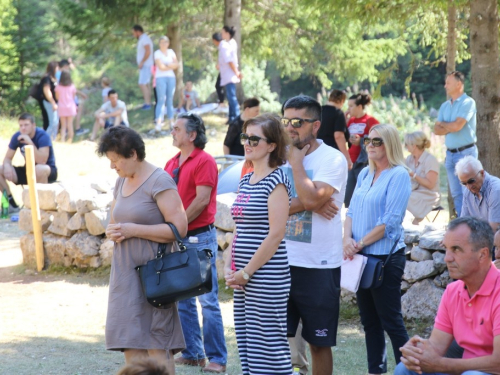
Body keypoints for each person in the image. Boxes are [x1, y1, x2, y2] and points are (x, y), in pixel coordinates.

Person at [98, 126, 187, 375]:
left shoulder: (160, 180)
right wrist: (113, 230)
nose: (112, 166)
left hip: (154, 277)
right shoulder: (121, 181)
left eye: (116, 160)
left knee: (157, 344)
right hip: (125, 274)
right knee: (129, 340)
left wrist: (133, 229)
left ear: (133, 154)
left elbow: (180, 228)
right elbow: (116, 221)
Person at [281, 95, 348, 375]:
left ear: (316, 125)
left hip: (318, 265)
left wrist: (297, 164)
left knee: (318, 343)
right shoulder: (276, 157)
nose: (291, 127)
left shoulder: (332, 159)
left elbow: (308, 199)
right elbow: (268, 201)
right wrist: (311, 203)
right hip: (280, 261)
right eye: (286, 121)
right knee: (276, 340)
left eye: (298, 121)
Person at [224, 113, 293, 374]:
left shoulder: (277, 180)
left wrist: (246, 272)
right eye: (245, 137)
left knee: (268, 347)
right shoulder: (246, 179)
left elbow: (275, 234)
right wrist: (229, 266)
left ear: (272, 145)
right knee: (247, 343)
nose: (247, 143)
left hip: (266, 276)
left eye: (255, 138)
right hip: (243, 276)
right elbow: (239, 228)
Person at [343, 123, 411, 375]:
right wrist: (346, 239)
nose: (369, 145)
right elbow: (350, 210)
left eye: (376, 141)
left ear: (390, 145)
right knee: (369, 322)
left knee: (391, 321)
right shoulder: (363, 174)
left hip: (385, 258)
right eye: (367, 141)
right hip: (360, 258)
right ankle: (376, 371)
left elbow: (390, 222)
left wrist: (357, 244)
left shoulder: (399, 175)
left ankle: (409, 370)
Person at [395, 217, 500, 375]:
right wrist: (417, 352)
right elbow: (436, 347)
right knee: (405, 369)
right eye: (447, 249)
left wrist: (441, 365)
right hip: (466, 370)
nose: (447, 258)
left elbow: (498, 363)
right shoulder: (453, 291)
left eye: (456, 249)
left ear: (483, 255)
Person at [164, 113, 227, 373]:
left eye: (177, 129)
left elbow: (202, 200)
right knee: (184, 299)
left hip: (199, 237)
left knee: (208, 301)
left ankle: (218, 359)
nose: (172, 132)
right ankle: (193, 353)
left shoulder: (205, 161)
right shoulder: (171, 163)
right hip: (180, 237)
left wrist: (177, 226)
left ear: (192, 135)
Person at [433, 71, 477, 216]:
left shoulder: (468, 103)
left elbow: (457, 126)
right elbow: (436, 130)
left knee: (468, 192)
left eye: (448, 83)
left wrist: (444, 124)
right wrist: (449, 126)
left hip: (466, 153)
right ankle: (462, 224)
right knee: (457, 194)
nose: (445, 86)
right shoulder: (445, 106)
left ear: (459, 84)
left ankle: (472, 226)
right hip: (450, 155)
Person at [0, 113, 57, 210]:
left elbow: (42, 160)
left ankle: (42, 206)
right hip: (28, 171)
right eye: (21, 125)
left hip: (47, 171)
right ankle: (11, 204)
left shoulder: (42, 136)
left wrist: (30, 142)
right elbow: (7, 158)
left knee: (39, 168)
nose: (23, 128)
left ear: (34, 125)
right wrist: (7, 166)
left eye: (26, 125)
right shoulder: (17, 136)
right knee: (1, 169)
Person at [344, 93, 380, 207]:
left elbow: (379, 141)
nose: (348, 109)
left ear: (359, 107)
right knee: (348, 196)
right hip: (350, 162)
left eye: (351, 106)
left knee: (363, 195)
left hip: (364, 163)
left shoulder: (371, 121)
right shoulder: (350, 121)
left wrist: (361, 141)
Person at [404, 131, 440, 225]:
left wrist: (413, 175)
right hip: (414, 191)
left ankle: (412, 225)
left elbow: (430, 184)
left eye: (406, 144)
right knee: (397, 194)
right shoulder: (409, 159)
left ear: (414, 145)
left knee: (405, 198)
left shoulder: (430, 160)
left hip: (429, 195)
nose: (405, 146)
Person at [456, 156, 500, 231]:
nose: (468, 187)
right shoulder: (468, 192)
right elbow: (463, 224)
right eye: (464, 183)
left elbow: (494, 229)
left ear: (482, 173)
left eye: (471, 181)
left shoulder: (495, 190)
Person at [318, 89, 352, 169]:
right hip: (331, 153)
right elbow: (338, 136)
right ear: (342, 101)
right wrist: (347, 158)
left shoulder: (318, 111)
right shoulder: (337, 113)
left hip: (316, 151)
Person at [154, 36, 179, 132]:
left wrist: (167, 65)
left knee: (170, 100)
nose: (163, 44)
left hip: (171, 77)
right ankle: (159, 122)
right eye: (161, 42)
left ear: (168, 43)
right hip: (160, 77)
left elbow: (176, 64)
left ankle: (171, 121)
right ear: (159, 43)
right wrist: (170, 65)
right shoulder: (157, 53)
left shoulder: (171, 52)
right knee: (161, 100)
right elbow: (161, 67)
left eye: (165, 42)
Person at [219, 26, 241, 123]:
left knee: (232, 97)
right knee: (230, 96)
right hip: (228, 73)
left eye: (223, 32)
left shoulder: (226, 45)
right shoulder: (230, 43)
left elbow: (230, 61)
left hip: (230, 74)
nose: (221, 34)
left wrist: (236, 72)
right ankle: (231, 117)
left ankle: (236, 117)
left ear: (228, 33)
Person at [132, 25, 154, 109]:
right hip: (146, 65)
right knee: (146, 84)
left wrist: (142, 62)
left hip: (146, 65)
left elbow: (148, 51)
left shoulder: (144, 39)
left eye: (134, 33)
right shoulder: (143, 39)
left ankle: (147, 103)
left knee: (142, 83)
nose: (133, 35)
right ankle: (148, 102)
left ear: (138, 32)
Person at [38, 61, 59, 139]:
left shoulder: (53, 78)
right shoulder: (47, 78)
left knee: (55, 122)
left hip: (53, 103)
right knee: (52, 122)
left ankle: (53, 138)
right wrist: (53, 102)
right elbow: (47, 91)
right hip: (49, 102)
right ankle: (46, 138)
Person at [55, 71, 77, 143]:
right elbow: (73, 97)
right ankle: (70, 140)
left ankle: (62, 140)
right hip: (70, 107)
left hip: (61, 107)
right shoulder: (72, 86)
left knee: (63, 125)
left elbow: (57, 97)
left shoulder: (58, 87)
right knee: (70, 124)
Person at [211, 33, 225, 106]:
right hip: (223, 69)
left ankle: (222, 102)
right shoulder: (221, 47)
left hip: (225, 70)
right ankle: (221, 102)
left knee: (219, 86)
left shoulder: (223, 46)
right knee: (219, 86)